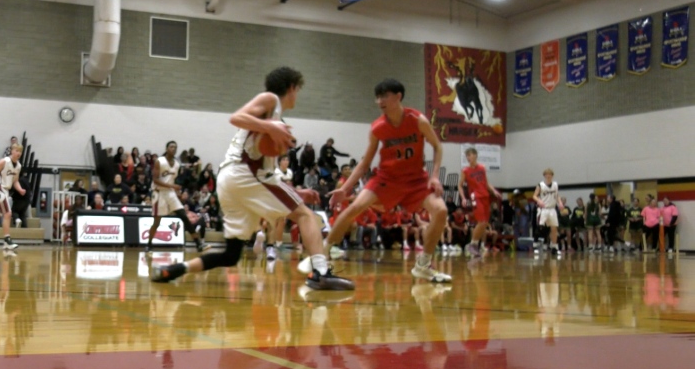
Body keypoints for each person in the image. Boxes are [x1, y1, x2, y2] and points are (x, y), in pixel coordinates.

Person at [151, 67, 350, 290]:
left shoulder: (274, 118)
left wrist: (296, 191)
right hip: (243, 174)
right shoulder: (270, 99)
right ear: (292, 88)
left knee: (230, 255)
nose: (298, 95)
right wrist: (270, 126)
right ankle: (321, 272)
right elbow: (236, 117)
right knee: (306, 215)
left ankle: (174, 270)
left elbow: (267, 172)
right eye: (298, 90)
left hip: (231, 181)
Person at [323, 79, 452, 283]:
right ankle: (321, 255)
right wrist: (345, 189)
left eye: (384, 96)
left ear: (398, 96)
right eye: (378, 97)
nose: (379, 101)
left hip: (416, 180)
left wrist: (435, 175)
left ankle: (424, 265)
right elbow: (365, 163)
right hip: (387, 179)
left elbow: (437, 147)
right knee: (354, 207)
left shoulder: (418, 120)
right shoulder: (378, 128)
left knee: (441, 211)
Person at [144, 141, 209, 253]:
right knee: (157, 222)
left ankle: (198, 244)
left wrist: (176, 191)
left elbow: (172, 180)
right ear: (167, 148)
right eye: (171, 146)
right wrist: (172, 186)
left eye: (175, 147)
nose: (173, 149)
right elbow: (155, 180)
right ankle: (149, 244)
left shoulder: (177, 164)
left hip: (170, 192)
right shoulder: (160, 161)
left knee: (184, 216)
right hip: (159, 193)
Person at [458, 147, 502, 258]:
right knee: (481, 221)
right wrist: (463, 198)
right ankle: (472, 244)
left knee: (484, 223)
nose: (468, 157)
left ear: (475, 155)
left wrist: (494, 190)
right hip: (475, 197)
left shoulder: (482, 168)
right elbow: (460, 185)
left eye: (470, 155)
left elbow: (487, 183)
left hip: (485, 196)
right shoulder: (465, 171)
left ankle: (474, 244)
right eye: (466, 156)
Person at [532, 168, 565, 257]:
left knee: (554, 229)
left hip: (552, 209)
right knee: (541, 228)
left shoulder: (555, 185)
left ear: (552, 175)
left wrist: (560, 203)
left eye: (550, 174)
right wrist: (539, 201)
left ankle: (554, 247)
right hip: (543, 209)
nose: (548, 176)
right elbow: (534, 196)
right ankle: (536, 245)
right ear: (544, 176)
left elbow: (557, 195)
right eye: (547, 174)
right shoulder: (540, 185)